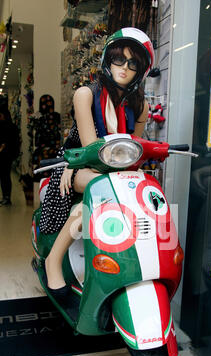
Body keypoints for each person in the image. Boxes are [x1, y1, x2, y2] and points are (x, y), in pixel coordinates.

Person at [39, 27, 154, 300]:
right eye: (118, 59)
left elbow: (135, 150)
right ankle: (53, 260)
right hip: (77, 164)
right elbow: (92, 150)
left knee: (143, 190)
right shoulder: (85, 94)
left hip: (117, 169)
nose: (124, 68)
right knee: (101, 187)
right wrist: (75, 164)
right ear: (107, 59)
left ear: (141, 70)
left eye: (133, 63)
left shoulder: (140, 105)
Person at [0, 108, 20, 206]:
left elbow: (8, 142)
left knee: (5, 176)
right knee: (4, 176)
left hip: (5, 155)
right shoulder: (11, 126)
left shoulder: (8, 127)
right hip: (7, 155)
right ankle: (5, 196)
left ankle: (6, 197)